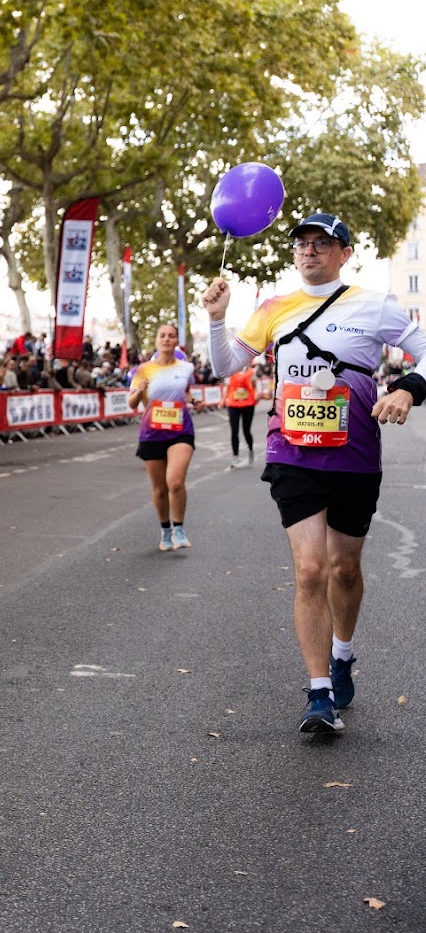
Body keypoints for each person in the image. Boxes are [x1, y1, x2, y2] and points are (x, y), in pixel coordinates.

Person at [203, 212, 426, 735]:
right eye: (302, 243)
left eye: (323, 244)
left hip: (354, 452)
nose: (309, 251)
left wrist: (407, 388)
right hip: (292, 450)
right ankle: (319, 693)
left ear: (345, 254)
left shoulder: (374, 305)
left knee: (344, 568)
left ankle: (343, 654)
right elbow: (223, 366)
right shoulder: (274, 308)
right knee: (309, 570)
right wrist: (217, 319)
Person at [127, 324, 199, 552]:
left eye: (171, 336)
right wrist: (139, 391)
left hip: (180, 430)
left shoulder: (186, 367)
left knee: (175, 482)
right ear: (156, 341)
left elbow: (185, 390)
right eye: (163, 336)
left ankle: (179, 528)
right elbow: (132, 403)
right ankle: (165, 531)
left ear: (177, 340)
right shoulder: (143, 369)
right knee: (159, 489)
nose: (167, 339)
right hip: (152, 432)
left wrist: (193, 399)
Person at [222, 361, 259, 469]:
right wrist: (223, 400)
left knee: (246, 430)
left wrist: (256, 393)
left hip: (248, 404)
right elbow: (227, 387)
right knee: (234, 430)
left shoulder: (251, 372)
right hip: (233, 404)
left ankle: (251, 450)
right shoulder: (230, 372)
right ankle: (235, 456)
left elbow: (255, 386)